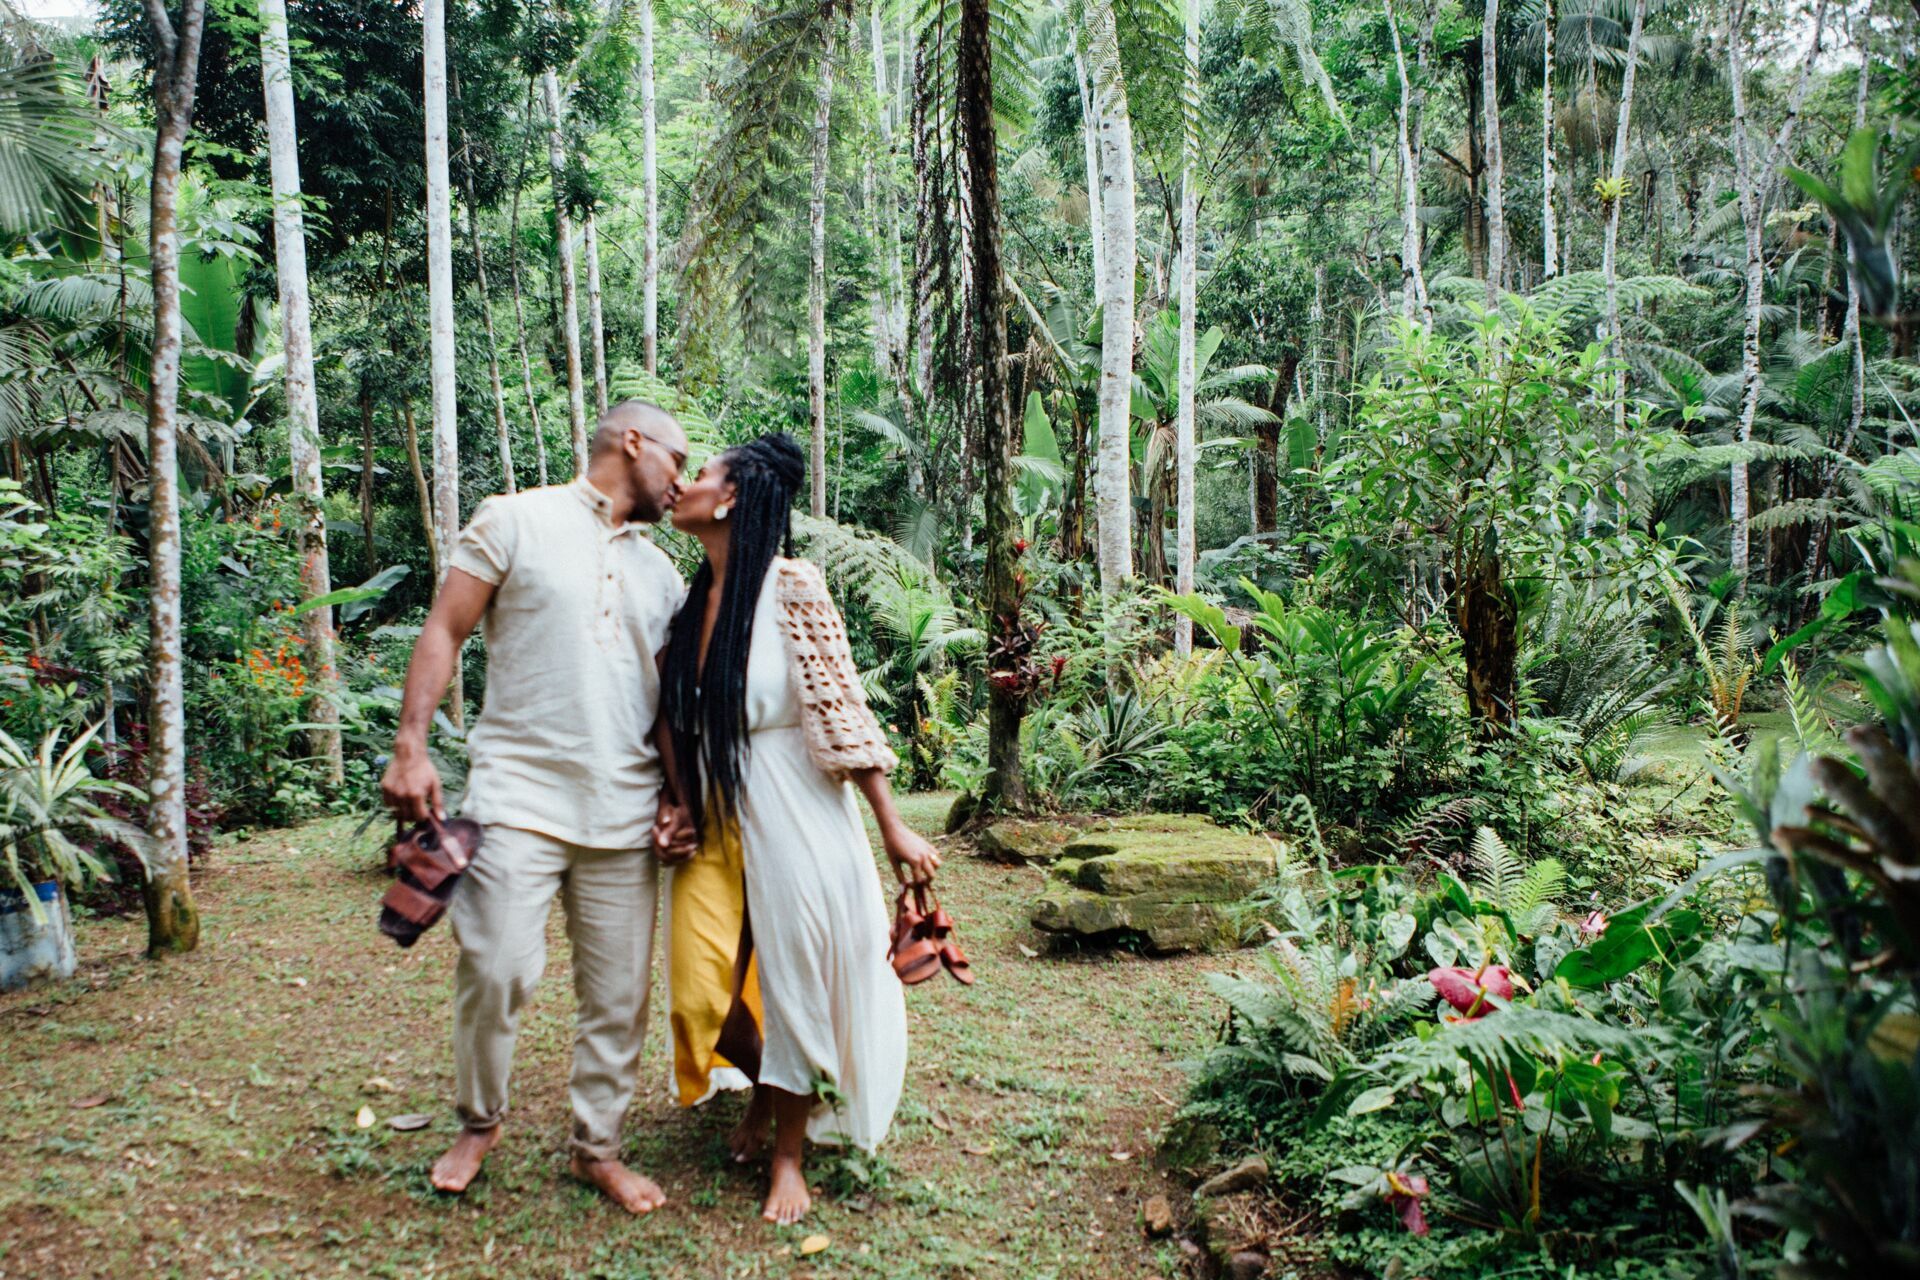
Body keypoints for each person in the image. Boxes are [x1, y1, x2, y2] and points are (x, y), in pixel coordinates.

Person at [379, 400, 689, 1214]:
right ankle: (478, 1122)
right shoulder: (513, 519)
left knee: (618, 996)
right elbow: (445, 628)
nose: (682, 478)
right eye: (677, 458)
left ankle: (599, 1148)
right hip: (516, 796)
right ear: (633, 443)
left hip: (623, 811)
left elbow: (665, 704)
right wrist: (411, 744)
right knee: (497, 967)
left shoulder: (664, 573)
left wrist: (677, 797)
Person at [650, 432, 941, 1226]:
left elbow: (842, 708)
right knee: (701, 991)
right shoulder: (690, 602)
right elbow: (674, 722)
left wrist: (892, 827)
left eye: (701, 474)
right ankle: (794, 1096)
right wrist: (674, 802)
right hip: (719, 811)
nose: (685, 484)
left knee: (794, 979)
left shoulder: (790, 587)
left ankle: (786, 1152)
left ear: (735, 496)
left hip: (796, 806)